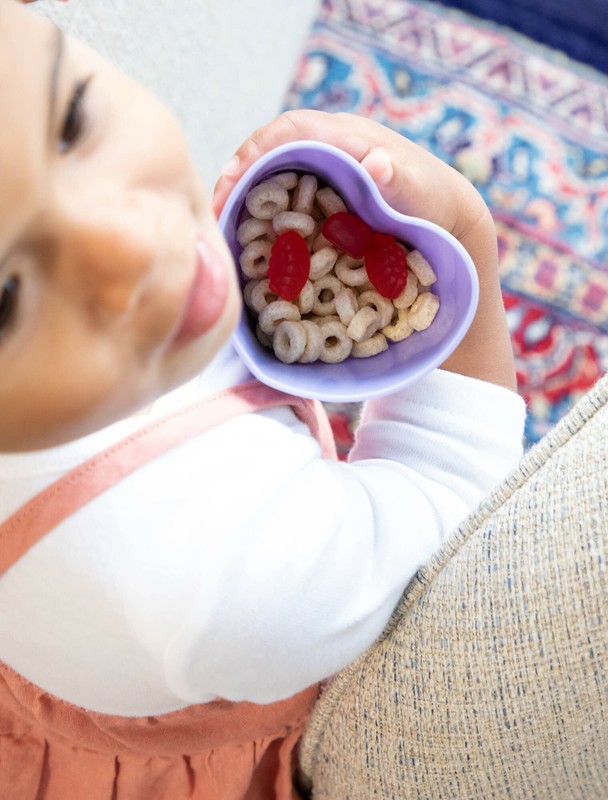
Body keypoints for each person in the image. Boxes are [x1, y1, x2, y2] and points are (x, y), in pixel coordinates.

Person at [0, 1, 525, 797]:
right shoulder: (219, 582)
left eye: (70, 121)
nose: (133, 245)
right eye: (5, 297)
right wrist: (470, 242)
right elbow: (452, 513)